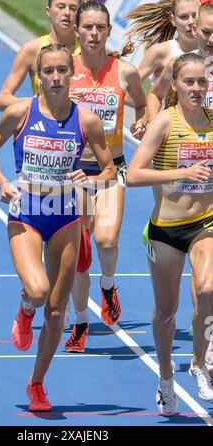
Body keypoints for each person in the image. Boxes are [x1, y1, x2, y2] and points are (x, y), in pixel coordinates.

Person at [0, 43, 116, 411]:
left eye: (62, 71)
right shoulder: (20, 113)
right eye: (48, 72)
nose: (56, 78)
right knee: (38, 291)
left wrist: (91, 182)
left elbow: (109, 171)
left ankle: (37, 384)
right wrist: (1, 183)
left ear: (71, 74)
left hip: (66, 216)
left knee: (57, 312)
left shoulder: (86, 120)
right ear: (38, 76)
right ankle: (25, 309)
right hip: (26, 212)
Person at [127, 53, 213, 415]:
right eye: (189, 82)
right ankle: (165, 380)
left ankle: (198, 361)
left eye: (201, 82)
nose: (196, 88)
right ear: (175, 85)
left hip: (206, 222)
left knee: (208, 287)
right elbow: (132, 175)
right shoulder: (164, 122)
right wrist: (181, 174)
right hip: (165, 231)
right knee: (166, 313)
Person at [64, 0, 147, 353]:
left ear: (109, 31)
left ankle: (109, 284)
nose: (94, 34)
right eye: (88, 28)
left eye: (101, 28)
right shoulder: (64, 69)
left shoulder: (124, 72)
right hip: (74, 171)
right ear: (78, 31)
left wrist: (141, 120)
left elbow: (143, 104)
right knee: (80, 253)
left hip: (113, 166)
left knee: (107, 241)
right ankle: (81, 322)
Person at [0, 0, 81, 111]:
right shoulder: (32, 50)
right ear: (48, 11)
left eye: (73, 8)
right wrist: (41, 101)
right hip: (43, 127)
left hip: (79, 127)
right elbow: (2, 100)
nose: (67, 13)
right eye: (61, 7)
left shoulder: (87, 50)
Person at [125, 0, 200, 85]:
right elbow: (130, 90)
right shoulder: (160, 51)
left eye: (195, 15)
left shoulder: (209, 50)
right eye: (183, 17)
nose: (191, 22)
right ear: (173, 20)